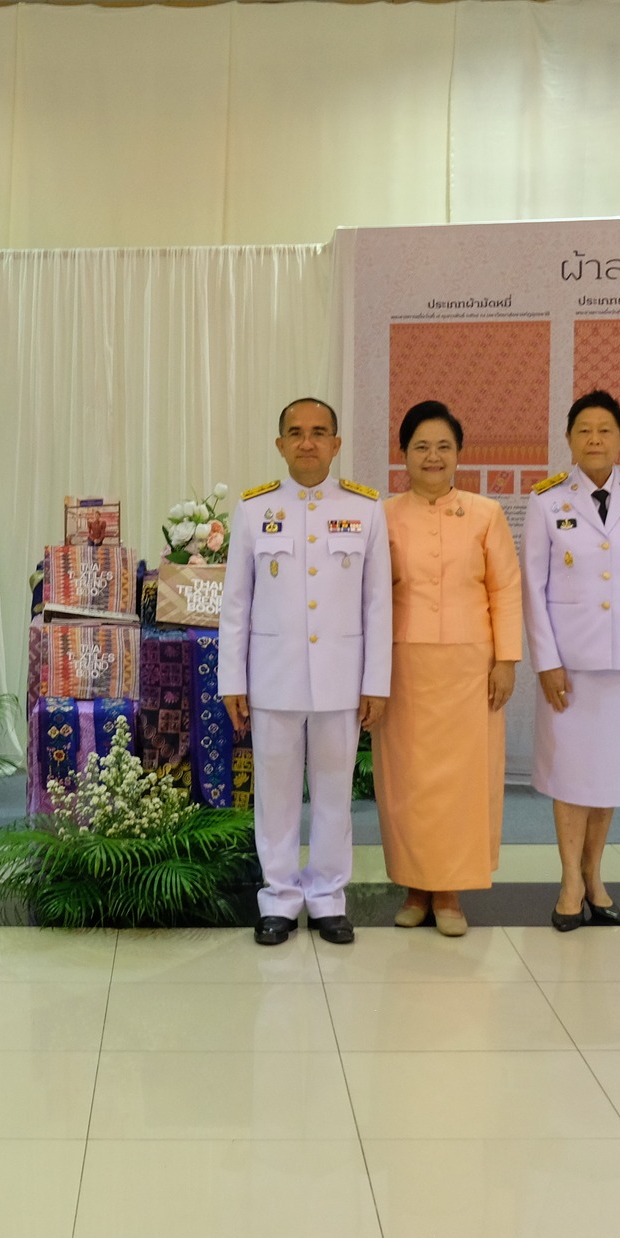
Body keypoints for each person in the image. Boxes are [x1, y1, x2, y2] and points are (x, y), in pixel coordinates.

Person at [221, 396, 392, 946]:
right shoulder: (253, 510)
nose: (307, 442)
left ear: (336, 445)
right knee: (274, 791)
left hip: (342, 678)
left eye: (319, 432)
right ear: (280, 445)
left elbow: (377, 606)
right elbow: (235, 604)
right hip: (273, 676)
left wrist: (376, 682)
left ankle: (326, 898)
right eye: (295, 432)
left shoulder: (366, 509)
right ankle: (277, 897)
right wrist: (233, 680)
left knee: (334, 792)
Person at [523, 389, 620, 931]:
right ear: (568, 439)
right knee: (570, 773)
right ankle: (569, 880)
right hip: (572, 663)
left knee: (608, 775)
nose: (595, 439)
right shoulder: (547, 501)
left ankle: (595, 872)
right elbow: (533, 589)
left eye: (605, 429)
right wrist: (546, 661)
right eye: (584, 430)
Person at [373, 400, 518, 937]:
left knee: (462, 781)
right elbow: (369, 595)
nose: (433, 457)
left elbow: (505, 589)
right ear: (403, 454)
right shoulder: (382, 515)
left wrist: (506, 659)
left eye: (443, 446)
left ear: (459, 453)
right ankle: (415, 887)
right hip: (402, 665)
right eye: (421, 447)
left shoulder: (486, 514)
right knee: (407, 780)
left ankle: (452, 892)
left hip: (469, 668)